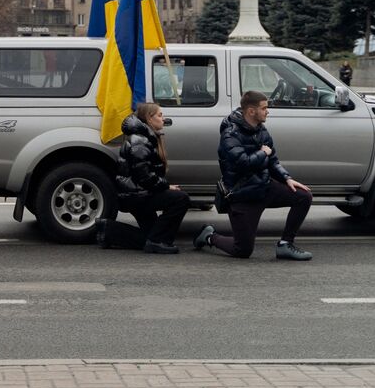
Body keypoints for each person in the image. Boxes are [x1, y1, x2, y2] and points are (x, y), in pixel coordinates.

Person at [194, 90, 314, 261]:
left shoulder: (261, 130)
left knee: (304, 196)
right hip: (243, 195)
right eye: (264, 108)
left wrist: (287, 178)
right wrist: (263, 153)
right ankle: (209, 236)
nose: (268, 111)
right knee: (242, 250)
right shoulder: (230, 134)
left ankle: (285, 245)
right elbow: (242, 163)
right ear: (251, 111)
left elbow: (273, 161)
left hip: (264, 187)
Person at [97, 103, 191, 254]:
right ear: (149, 118)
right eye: (160, 115)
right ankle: (157, 242)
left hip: (137, 193)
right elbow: (144, 176)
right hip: (137, 196)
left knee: (150, 235)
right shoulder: (140, 141)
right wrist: (166, 186)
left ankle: (109, 230)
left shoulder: (144, 137)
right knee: (181, 199)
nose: (163, 119)